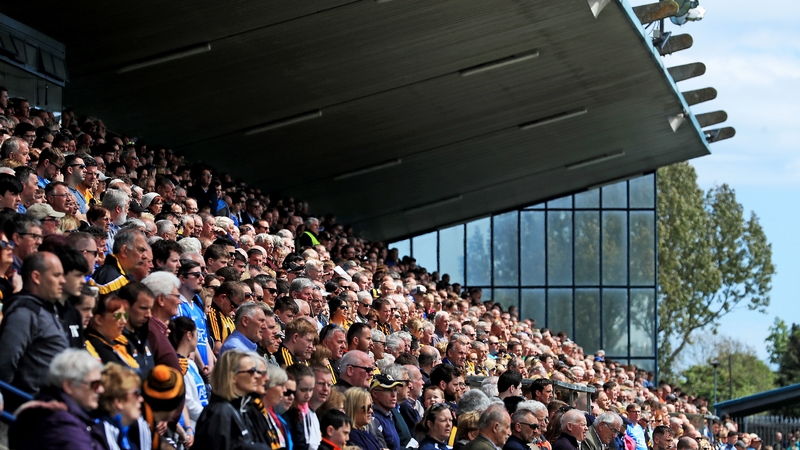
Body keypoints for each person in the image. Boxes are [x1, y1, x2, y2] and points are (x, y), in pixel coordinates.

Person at [0, 252, 67, 401]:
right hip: (31, 406)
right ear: (36, 277)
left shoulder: (45, 308)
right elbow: (5, 364)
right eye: (56, 275)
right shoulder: (24, 312)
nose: (63, 281)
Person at [9, 348, 108, 449]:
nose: (101, 390)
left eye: (101, 384)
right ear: (69, 385)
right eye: (95, 384)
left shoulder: (72, 418)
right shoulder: (60, 422)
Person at [194, 350, 271, 450]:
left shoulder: (243, 408)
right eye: (252, 371)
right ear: (233, 376)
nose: (257, 376)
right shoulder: (219, 412)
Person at [97, 362, 150, 450]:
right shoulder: (102, 432)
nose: (141, 399)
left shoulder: (137, 428)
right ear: (119, 402)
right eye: (136, 393)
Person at [169, 316, 209, 428]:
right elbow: (187, 402)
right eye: (196, 335)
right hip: (190, 426)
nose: (198, 339)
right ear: (189, 335)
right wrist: (209, 417)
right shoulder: (177, 365)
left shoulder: (191, 364)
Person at [84, 295, 140, 368]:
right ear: (98, 320)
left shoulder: (115, 343)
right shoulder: (96, 346)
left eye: (125, 315)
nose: (124, 321)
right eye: (117, 316)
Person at [284, 364, 320, 450]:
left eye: (311, 390)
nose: (308, 395)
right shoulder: (287, 413)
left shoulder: (307, 411)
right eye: (303, 390)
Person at [263, 364, 294, 450]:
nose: (284, 390)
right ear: (267, 385)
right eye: (280, 385)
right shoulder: (255, 415)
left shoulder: (274, 417)